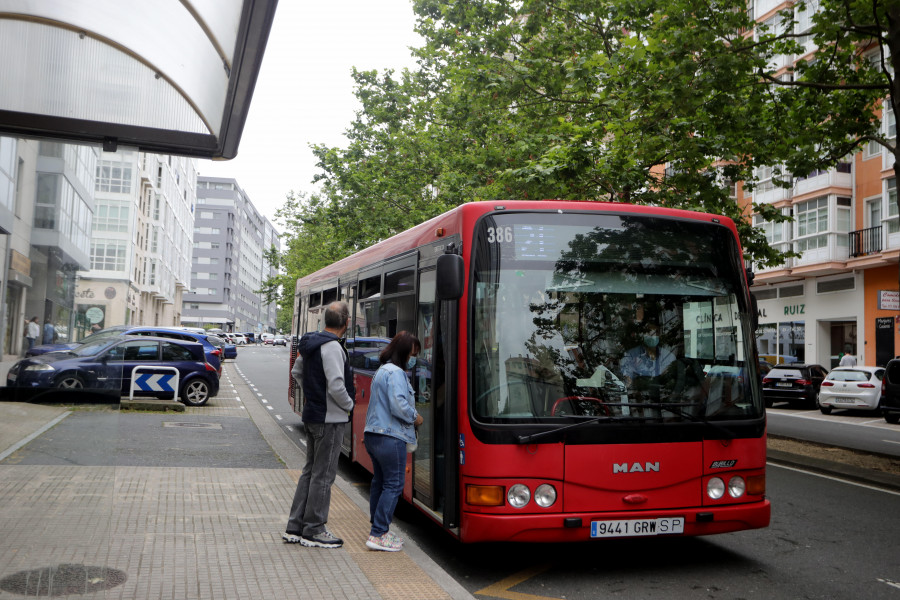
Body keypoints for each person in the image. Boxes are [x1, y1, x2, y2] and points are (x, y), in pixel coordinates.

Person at [283, 301, 355, 549]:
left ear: (326, 320)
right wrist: (349, 406)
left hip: (313, 415)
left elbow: (296, 371)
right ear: (346, 322)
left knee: (310, 472)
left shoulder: (311, 343)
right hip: (330, 419)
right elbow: (336, 385)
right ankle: (314, 529)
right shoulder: (333, 347)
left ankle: (295, 526)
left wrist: (313, 395)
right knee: (323, 475)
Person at [363, 330, 423, 552]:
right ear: (405, 352)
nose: (414, 358)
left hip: (373, 435)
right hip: (391, 437)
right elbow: (399, 404)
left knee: (380, 481)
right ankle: (379, 533)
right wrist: (416, 417)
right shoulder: (397, 373)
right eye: (413, 353)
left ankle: (377, 528)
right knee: (394, 485)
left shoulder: (381, 371)